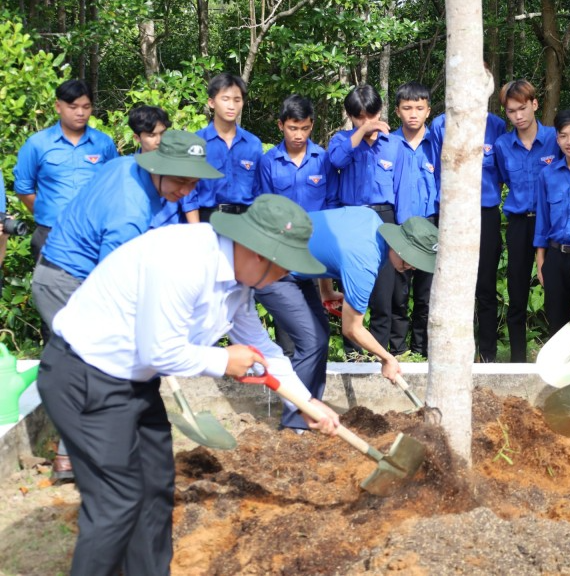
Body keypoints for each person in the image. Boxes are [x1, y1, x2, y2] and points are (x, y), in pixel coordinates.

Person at [36, 194, 341, 576]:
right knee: (116, 503)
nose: (285, 277)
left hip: (135, 384)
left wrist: (306, 403)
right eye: (284, 267)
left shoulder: (239, 281)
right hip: (85, 376)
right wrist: (224, 361)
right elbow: (159, 351)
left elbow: (264, 351)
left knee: (155, 490)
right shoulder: (183, 261)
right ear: (259, 253)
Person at [32, 131, 222, 480]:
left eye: (193, 182)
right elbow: (117, 284)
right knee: (93, 368)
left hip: (71, 273)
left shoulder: (127, 165)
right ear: (158, 168)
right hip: (67, 280)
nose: (186, 191)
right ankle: (79, 462)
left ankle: (80, 457)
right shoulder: (129, 212)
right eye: (180, 181)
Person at [253, 94, 337, 431]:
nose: (298, 135)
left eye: (303, 128)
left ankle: (310, 408)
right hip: (279, 263)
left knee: (318, 336)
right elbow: (263, 209)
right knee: (299, 341)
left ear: (312, 125)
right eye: (292, 128)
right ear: (280, 126)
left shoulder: (323, 159)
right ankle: (296, 417)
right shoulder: (268, 162)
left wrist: (326, 281)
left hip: (312, 259)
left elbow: (331, 208)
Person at [313, 209, 439, 381]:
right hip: (279, 265)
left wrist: (326, 291)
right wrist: (387, 359)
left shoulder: (370, 219)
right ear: (402, 247)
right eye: (414, 259)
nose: (414, 267)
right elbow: (352, 329)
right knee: (311, 345)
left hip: (286, 244)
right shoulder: (365, 262)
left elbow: (326, 246)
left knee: (314, 341)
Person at [327, 85, 405, 354]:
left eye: (371, 116)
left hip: (384, 219)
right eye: (359, 117)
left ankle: (379, 354)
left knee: (383, 294)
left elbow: (401, 191)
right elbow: (336, 161)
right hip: (351, 218)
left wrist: (402, 237)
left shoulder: (394, 144)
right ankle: (352, 355)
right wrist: (361, 132)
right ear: (350, 116)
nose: (367, 122)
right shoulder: (341, 141)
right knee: (353, 292)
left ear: (380, 111)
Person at [430, 109, 508, 362]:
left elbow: (500, 174)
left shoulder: (496, 125)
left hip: (485, 212)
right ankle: (452, 354)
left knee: (485, 286)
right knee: (451, 286)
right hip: (453, 214)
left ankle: (487, 354)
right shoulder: (440, 124)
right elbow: (436, 172)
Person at [14, 79, 118, 262]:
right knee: (50, 280)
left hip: (94, 233)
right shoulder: (37, 144)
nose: (80, 113)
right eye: (73, 107)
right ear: (58, 106)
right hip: (51, 233)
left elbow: (115, 185)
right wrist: (46, 213)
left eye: (86, 107)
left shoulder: (103, 143)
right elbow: (23, 188)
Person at [494, 79, 561, 362]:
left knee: (556, 291)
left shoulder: (555, 138)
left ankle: (559, 357)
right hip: (520, 223)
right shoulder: (502, 145)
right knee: (517, 291)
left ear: (534, 104)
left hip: (552, 224)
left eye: (522, 108)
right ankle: (518, 361)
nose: (518, 116)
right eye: (511, 111)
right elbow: (504, 179)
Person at [533, 108, 570, 336]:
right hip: (556, 258)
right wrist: (541, 261)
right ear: (557, 139)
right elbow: (542, 220)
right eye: (563, 136)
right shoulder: (547, 175)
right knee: (557, 325)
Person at [392, 81, 439, 357]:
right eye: (407, 108)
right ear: (397, 111)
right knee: (398, 294)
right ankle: (398, 351)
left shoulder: (437, 144)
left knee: (426, 295)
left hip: (430, 226)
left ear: (428, 111)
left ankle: (422, 352)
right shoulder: (389, 143)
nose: (413, 114)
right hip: (398, 228)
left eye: (419, 108)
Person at [181, 73, 263, 223]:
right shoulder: (196, 143)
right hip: (207, 220)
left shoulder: (253, 144)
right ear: (211, 102)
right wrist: (196, 230)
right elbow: (188, 194)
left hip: (245, 221)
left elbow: (259, 191)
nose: (231, 106)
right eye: (225, 99)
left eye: (237, 100)